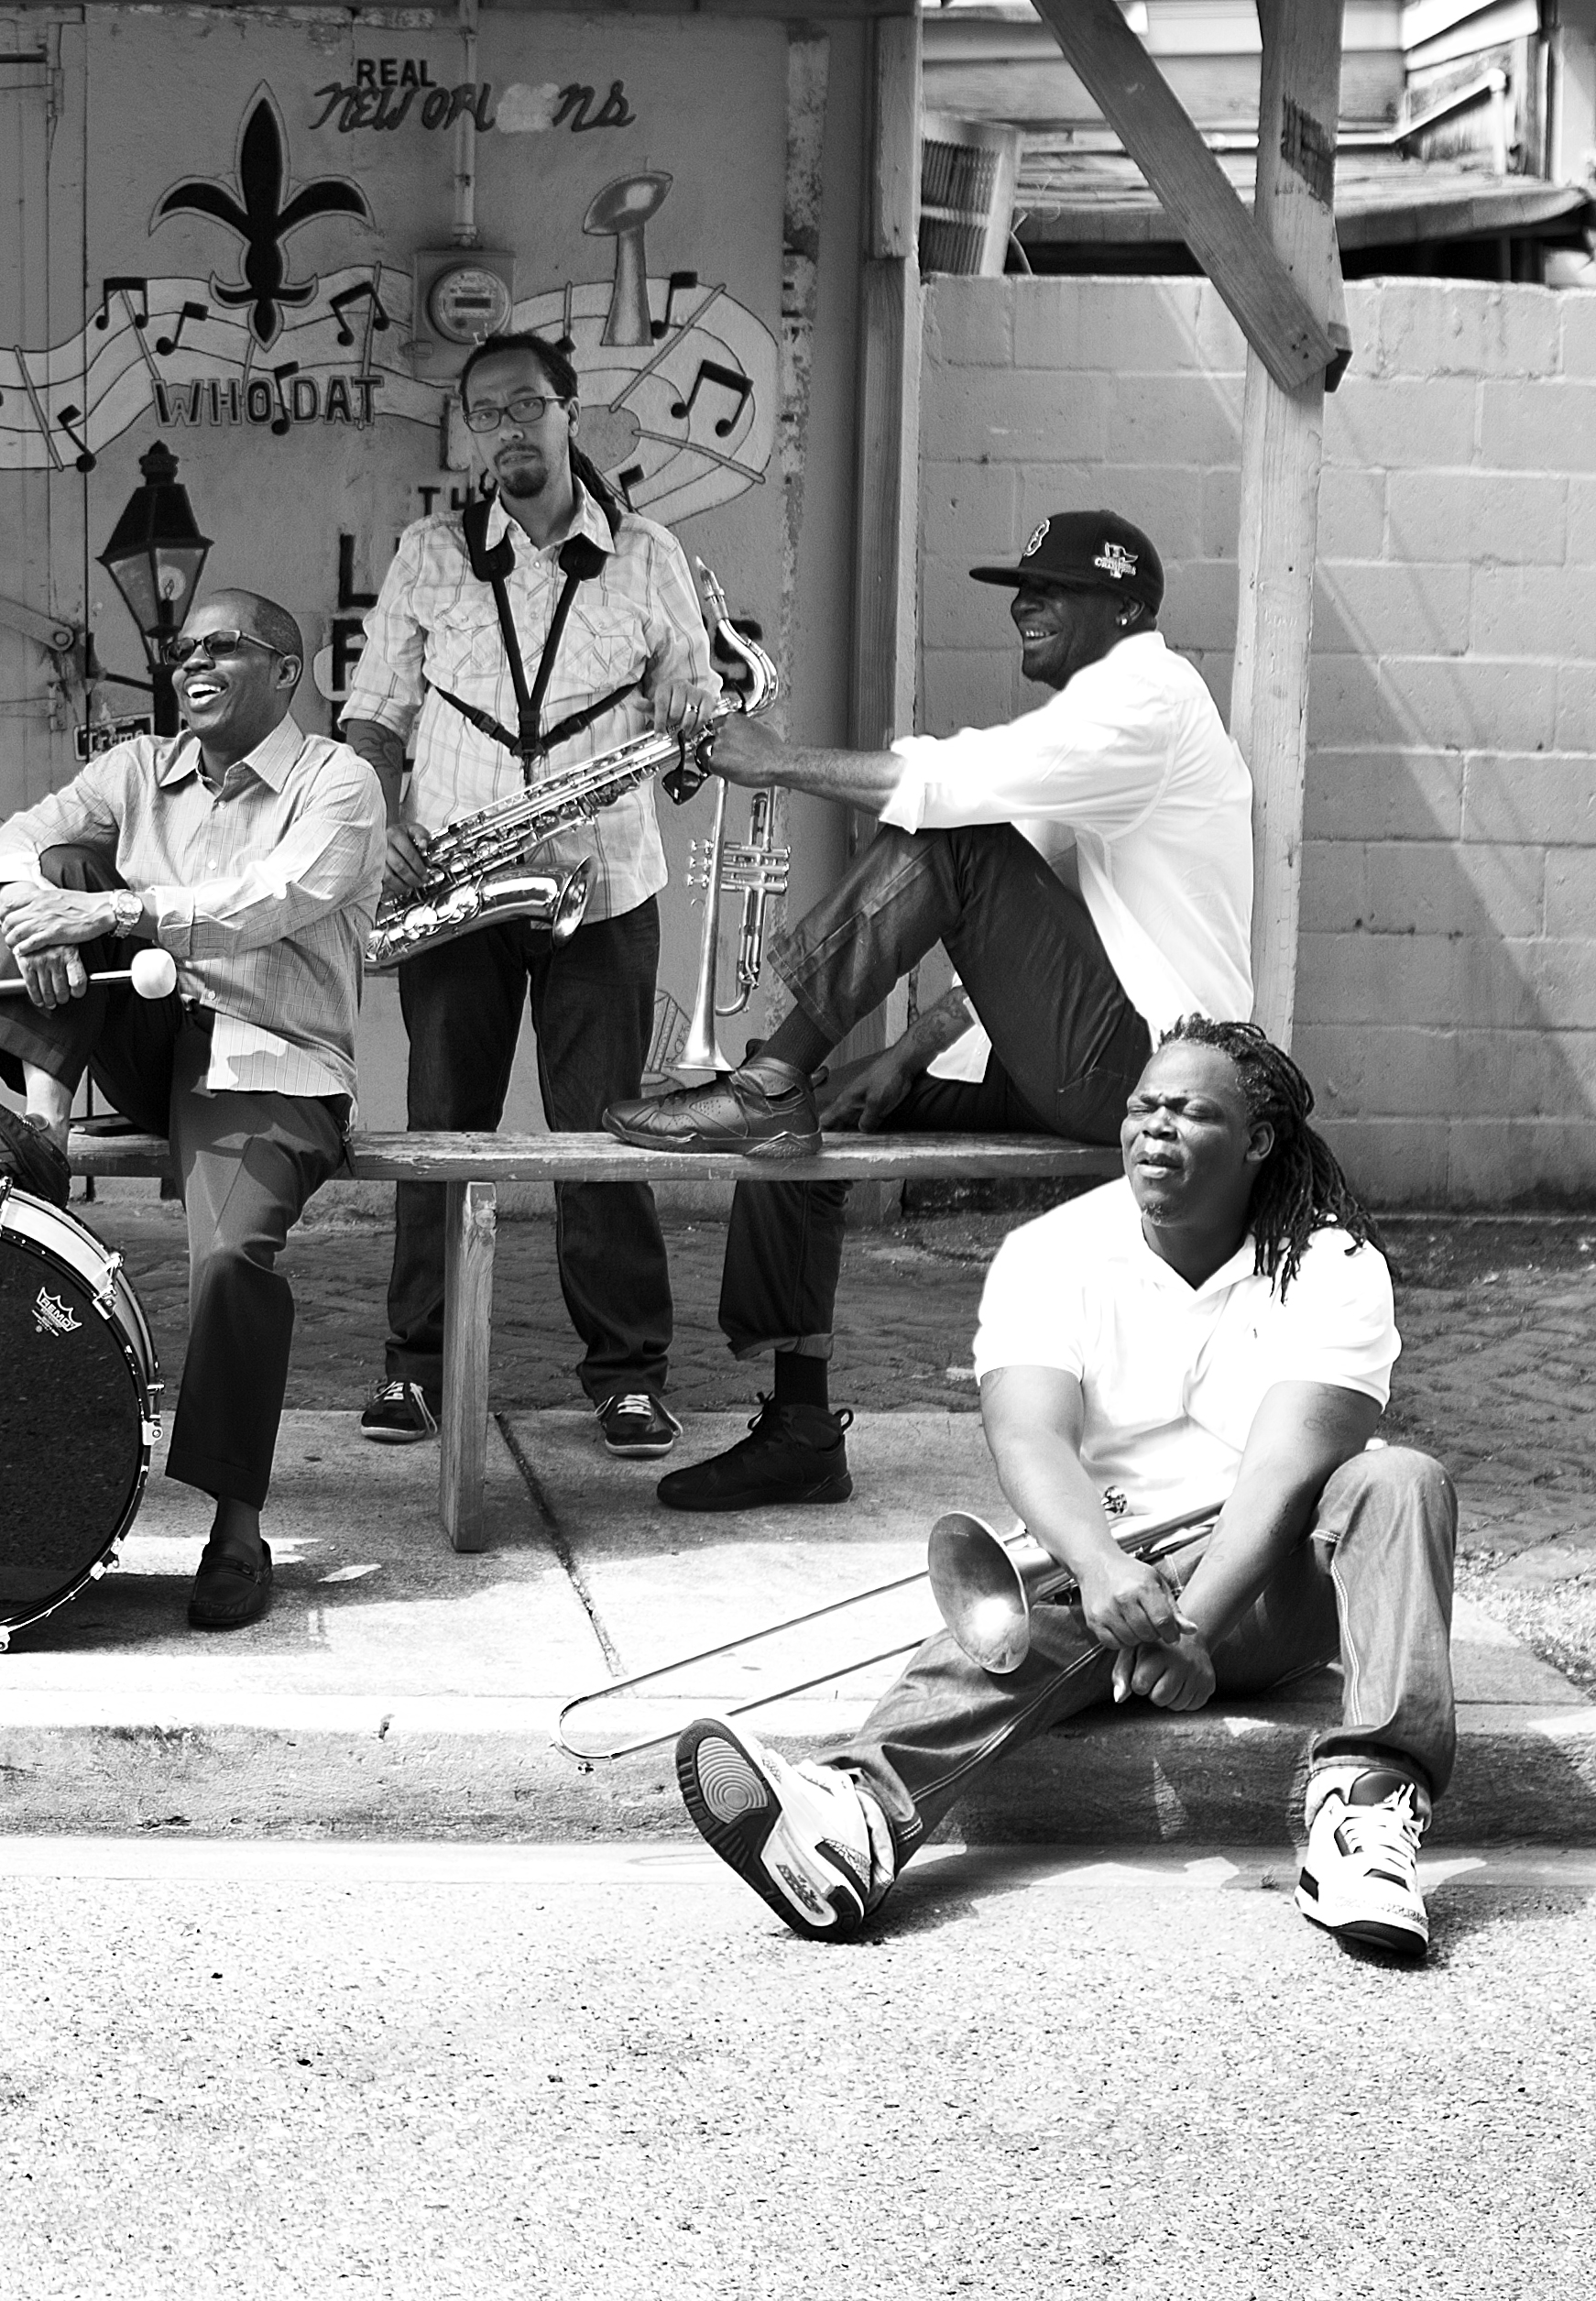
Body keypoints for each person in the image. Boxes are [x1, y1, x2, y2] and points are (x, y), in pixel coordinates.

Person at [678, 1020, 1452, 1962]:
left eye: (1189, 1112)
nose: (1153, 1128)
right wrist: (1095, 1562)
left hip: (1268, 1581)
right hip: (1105, 1575)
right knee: (1009, 1625)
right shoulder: (1050, 1250)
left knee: (1399, 1477)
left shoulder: (1329, 1263)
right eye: (1141, 1107)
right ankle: (850, 1826)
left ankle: (1365, 1816)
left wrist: (1196, 1621)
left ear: (1256, 1140)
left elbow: (1283, 1473)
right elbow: (1027, 1435)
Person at [606, 508, 1252, 1512]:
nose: (1023, 605)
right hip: (1083, 1059)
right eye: (1016, 588)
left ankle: (765, 1077)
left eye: (1051, 589)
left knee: (950, 839)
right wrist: (907, 1051)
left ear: (1124, 607)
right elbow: (1021, 922)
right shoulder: (1094, 725)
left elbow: (950, 801)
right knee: (810, 1118)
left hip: (1157, 1075)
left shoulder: (1145, 699)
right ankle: (798, 1425)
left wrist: (775, 759)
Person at [0, 589, 383, 1630]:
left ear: (286, 670)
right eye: (182, 646)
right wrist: (33, 912)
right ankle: (43, 1133)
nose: (192, 661)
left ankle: (236, 1525)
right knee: (57, 865)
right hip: (140, 1040)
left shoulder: (339, 781)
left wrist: (108, 910)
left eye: (221, 646)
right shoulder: (135, 768)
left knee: (230, 1261)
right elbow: (13, 840)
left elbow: (272, 899)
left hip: (270, 1061)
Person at [339, 330, 718, 1463]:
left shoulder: (650, 556)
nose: (505, 429)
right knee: (438, 1129)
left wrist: (695, 742)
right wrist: (380, 833)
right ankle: (415, 1368)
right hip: (457, 878)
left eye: (524, 407)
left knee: (602, 1136)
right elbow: (372, 718)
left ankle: (626, 1376)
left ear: (570, 413)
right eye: (484, 412)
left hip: (603, 881)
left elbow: (690, 720)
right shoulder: (427, 553)